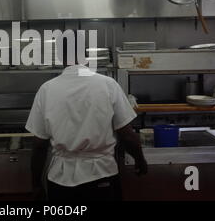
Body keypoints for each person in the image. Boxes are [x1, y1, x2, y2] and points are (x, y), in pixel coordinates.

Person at [25, 34, 147, 201]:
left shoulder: (46, 90)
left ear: (60, 56)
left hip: (61, 180)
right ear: (86, 54)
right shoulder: (107, 84)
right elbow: (126, 134)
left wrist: (36, 184)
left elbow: (39, 145)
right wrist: (139, 159)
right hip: (102, 175)